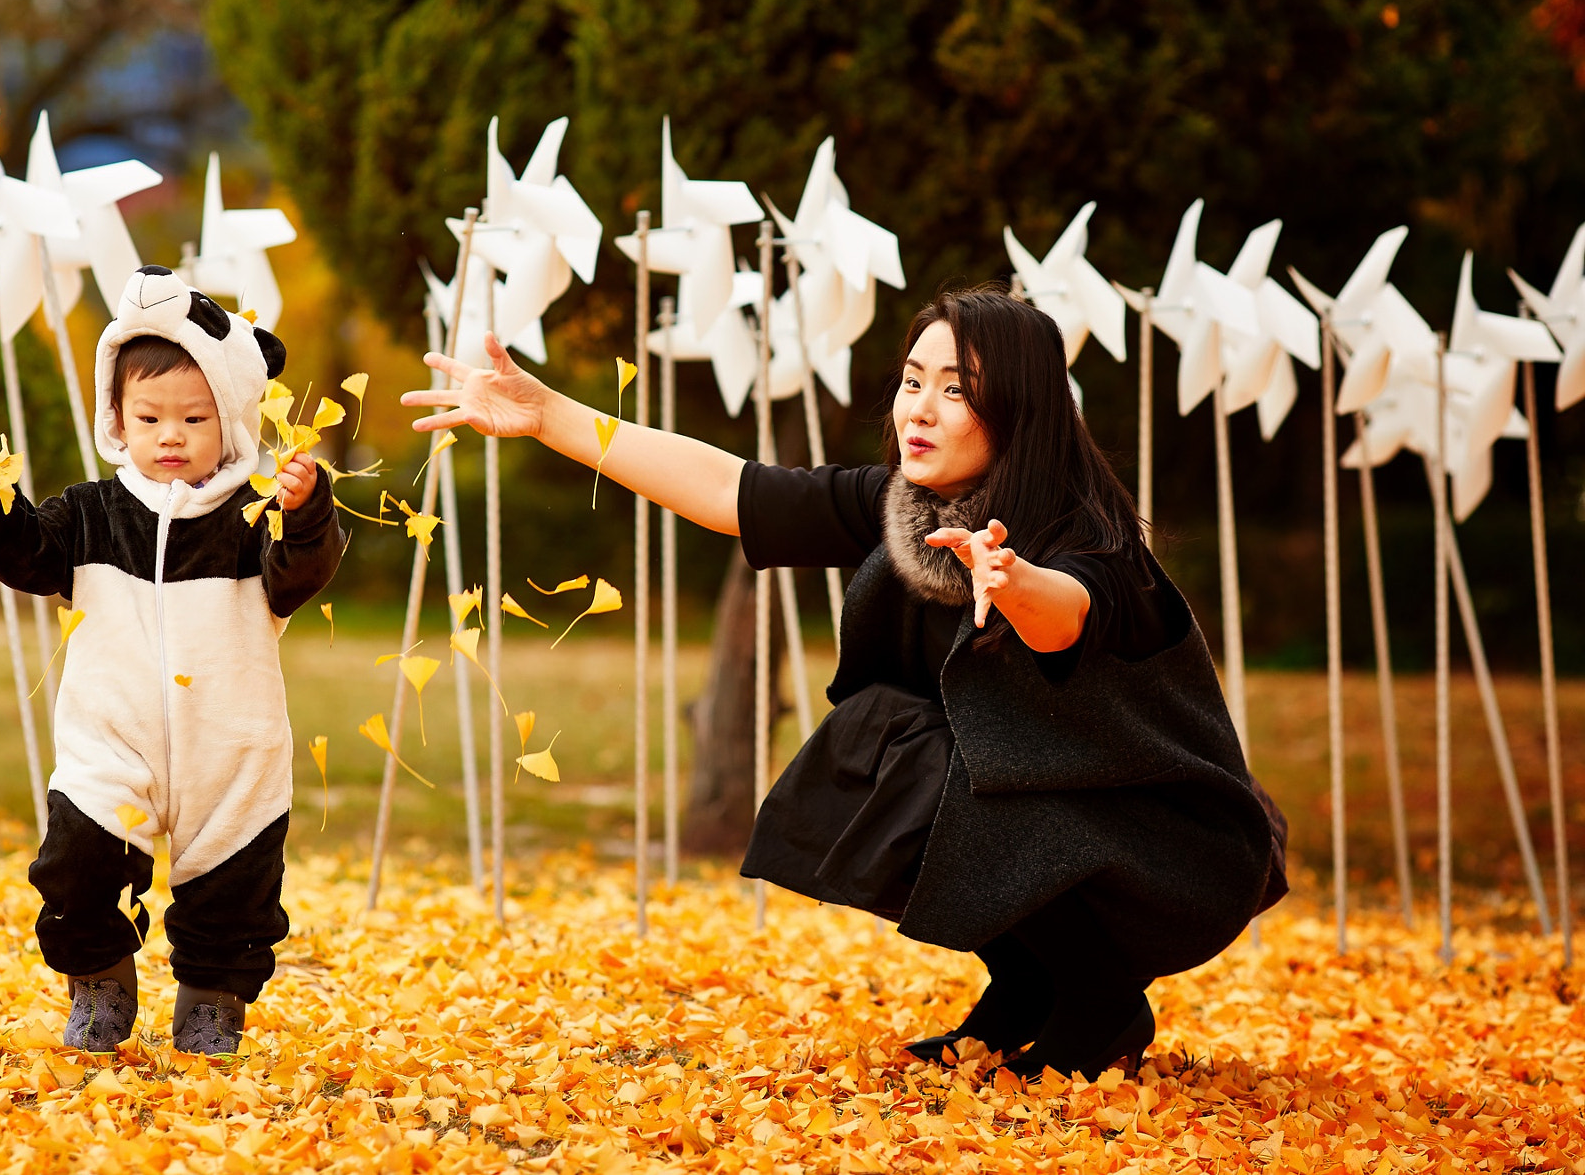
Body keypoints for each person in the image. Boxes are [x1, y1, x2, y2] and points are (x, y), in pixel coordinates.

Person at [403, 283, 1282, 1080]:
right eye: (912, 380)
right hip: (1055, 810)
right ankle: (1024, 988)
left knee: (940, 760)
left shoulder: (1089, 539)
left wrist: (1012, 583)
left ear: (1020, 410)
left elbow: (1068, 609)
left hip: (1174, 846)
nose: (920, 409)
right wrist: (548, 412)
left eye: (957, 389)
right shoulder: (905, 503)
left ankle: (1099, 1005)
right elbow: (726, 488)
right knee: (886, 733)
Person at [0, 266, 344, 1056]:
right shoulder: (91, 513)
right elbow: (30, 557)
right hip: (113, 733)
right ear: (118, 420)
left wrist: (304, 514)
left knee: (234, 884)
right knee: (76, 867)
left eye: (195, 418)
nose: (171, 436)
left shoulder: (249, 518)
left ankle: (212, 999)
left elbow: (300, 573)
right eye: (150, 416)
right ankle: (99, 980)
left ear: (230, 423)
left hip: (228, 741)